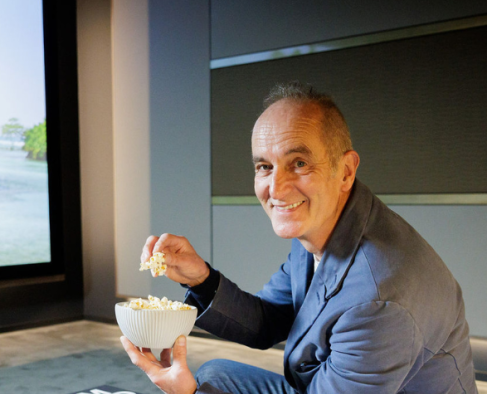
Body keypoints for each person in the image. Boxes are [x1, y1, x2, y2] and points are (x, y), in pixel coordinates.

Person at [121, 82, 477, 394]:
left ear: (346, 171)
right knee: (216, 375)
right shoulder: (326, 222)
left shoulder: (379, 302)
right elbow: (269, 321)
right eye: (264, 166)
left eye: (300, 164)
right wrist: (201, 278)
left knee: (209, 386)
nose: (276, 188)